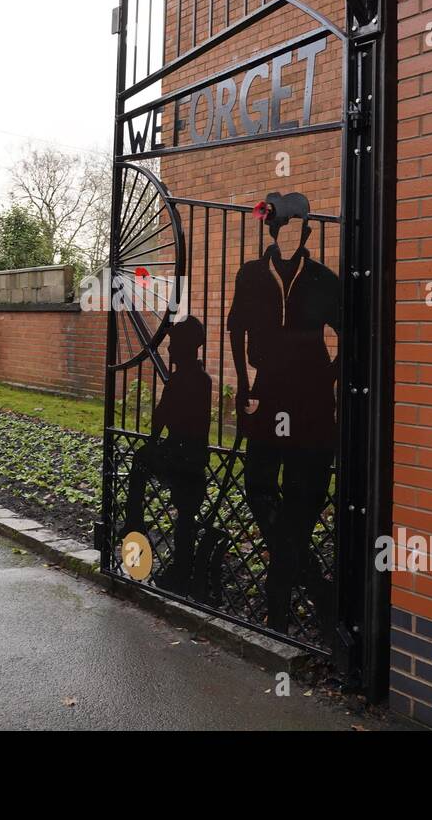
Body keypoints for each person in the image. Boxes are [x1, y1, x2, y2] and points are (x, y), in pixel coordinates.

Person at [227, 192, 340, 635]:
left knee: (304, 494)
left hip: (311, 403)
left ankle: (278, 612)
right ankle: (318, 588)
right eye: (281, 228)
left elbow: (352, 329)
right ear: (272, 232)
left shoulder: (323, 279)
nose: (288, 236)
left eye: (297, 228)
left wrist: (328, 376)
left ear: (306, 231)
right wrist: (242, 384)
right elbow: (236, 329)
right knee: (257, 484)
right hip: (267, 392)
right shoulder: (251, 275)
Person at [119, 316, 212, 595]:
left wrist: (153, 442)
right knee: (185, 516)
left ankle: (134, 522)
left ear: (187, 347)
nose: (169, 350)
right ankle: (181, 570)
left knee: (142, 461)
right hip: (191, 456)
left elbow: (164, 416)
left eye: (173, 344)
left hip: (183, 455)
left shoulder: (186, 380)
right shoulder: (196, 378)